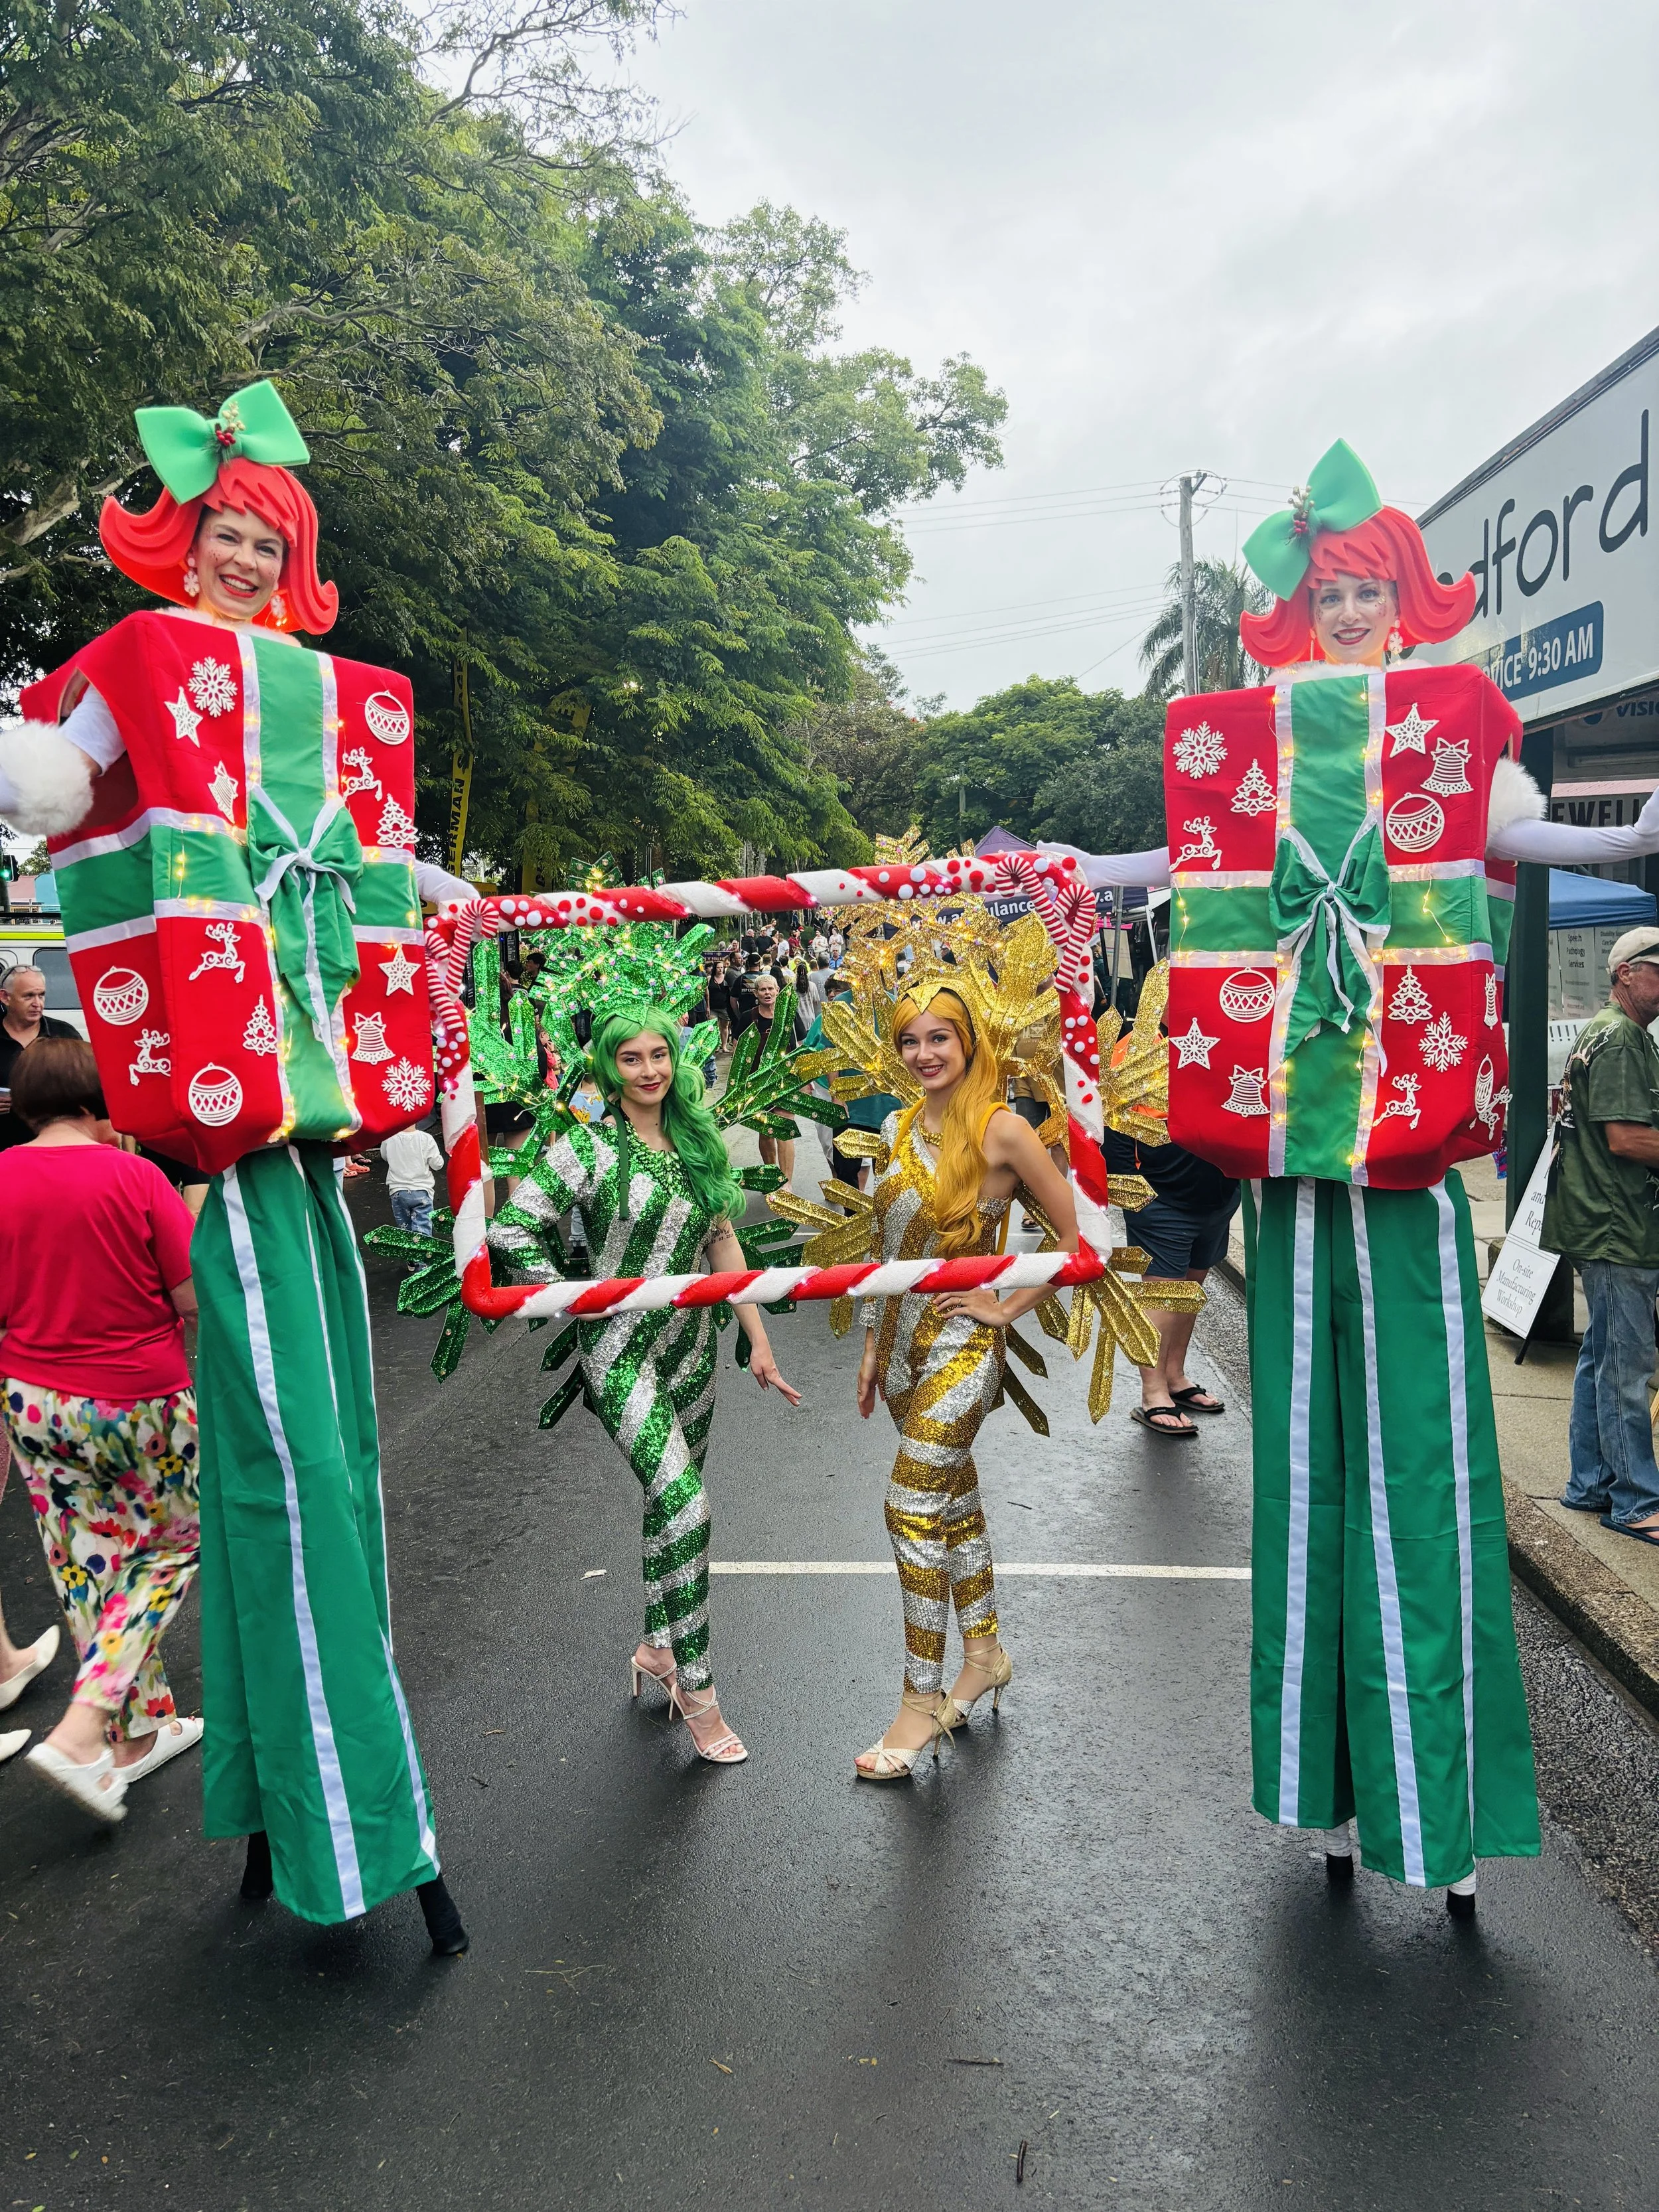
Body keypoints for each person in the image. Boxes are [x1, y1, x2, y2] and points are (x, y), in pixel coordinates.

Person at [1045, 439, 1659, 1916]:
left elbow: (1500, 831)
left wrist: (1625, 831)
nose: (1342, 607)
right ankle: (1326, 1793)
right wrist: (1089, 867)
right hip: (1292, 1173)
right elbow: (1188, 858)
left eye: (1365, 587)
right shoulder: (1253, 733)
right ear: (1296, 603)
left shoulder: (1453, 732)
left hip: (1399, 1169)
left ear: (1404, 600)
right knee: (1302, 1477)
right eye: (1324, 587)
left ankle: (1431, 1805)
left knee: (1429, 1471)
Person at [0, 380, 474, 1953]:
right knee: (298, 1475)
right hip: (231, 1136)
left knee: (313, 1467)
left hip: (310, 1117)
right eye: (221, 532)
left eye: (266, 538)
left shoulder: (326, 706)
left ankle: (286, 1787)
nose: (244, 557)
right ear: (177, 541)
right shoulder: (145, 683)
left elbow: (370, 850)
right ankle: (340, 1809)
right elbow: (60, 772)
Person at [490, 1008, 800, 1763]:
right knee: (686, 1505)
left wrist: (757, 1340)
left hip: (692, 1345)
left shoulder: (697, 1141)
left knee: (670, 1500)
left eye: (660, 1054)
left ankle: (658, 1647)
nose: (650, 1071)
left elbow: (723, 1240)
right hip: (619, 1348)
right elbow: (513, 1229)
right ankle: (697, 1689)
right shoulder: (585, 1148)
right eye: (631, 1059)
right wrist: (572, 1298)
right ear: (607, 1069)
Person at [848, 977, 1080, 1781]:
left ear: (969, 1041)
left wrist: (1005, 1307)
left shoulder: (1002, 1129)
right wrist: (875, 1345)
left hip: (962, 1352)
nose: (923, 1055)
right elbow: (885, 1253)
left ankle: (919, 1702)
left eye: (938, 1038)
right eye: (910, 1040)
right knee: (953, 1507)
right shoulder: (896, 1123)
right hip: (907, 1353)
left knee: (909, 1506)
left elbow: (1078, 1241)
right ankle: (984, 1657)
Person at [0, 1039, 202, 1820]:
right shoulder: (132, 1174)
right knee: (168, 1549)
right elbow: (189, 1297)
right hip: (136, 1396)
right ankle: (84, 1731)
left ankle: (136, 1735)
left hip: (33, 1400)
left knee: (86, 1563)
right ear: (97, 1101)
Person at [1543, 928, 1659, 1544]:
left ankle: (1589, 1483)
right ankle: (1635, 1500)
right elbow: (1627, 1138)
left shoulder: (1608, 1033)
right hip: (1617, 1224)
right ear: (1624, 974)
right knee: (1625, 1368)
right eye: (1657, 970)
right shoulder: (1619, 1039)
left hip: (1601, 1221)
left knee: (1601, 1360)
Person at [1104, 1064, 1238, 1440]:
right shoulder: (1139, 1048)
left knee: (1189, 1290)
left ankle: (1175, 1376)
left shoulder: (1229, 1034)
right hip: (1161, 1197)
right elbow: (1114, 1123)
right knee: (1163, 1291)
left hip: (1219, 1192)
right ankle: (1153, 1393)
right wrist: (1132, 1191)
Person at [0, 966, 78, 1151]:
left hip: (56, 1149)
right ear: (5, 997)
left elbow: (85, 1085)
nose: (38, 1003)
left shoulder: (64, 1034)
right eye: (28, 996)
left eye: (41, 995)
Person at [382, 1122, 445, 1239]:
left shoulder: (389, 1138)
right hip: (422, 1191)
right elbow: (437, 1165)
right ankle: (421, 1255)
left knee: (406, 1231)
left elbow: (384, 1156)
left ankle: (410, 1255)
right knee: (422, 1230)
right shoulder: (426, 1139)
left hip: (398, 1191)